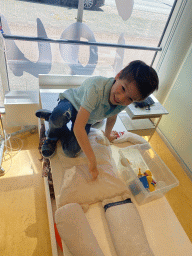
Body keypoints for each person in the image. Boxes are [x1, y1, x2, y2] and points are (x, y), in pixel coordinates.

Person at [36, 60, 159, 180]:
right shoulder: (96, 89)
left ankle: (53, 119)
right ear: (118, 75)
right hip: (73, 103)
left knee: (71, 151)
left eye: (130, 99)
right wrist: (92, 160)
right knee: (60, 116)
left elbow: (112, 115)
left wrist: (107, 135)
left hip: (88, 118)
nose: (121, 98)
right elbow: (78, 128)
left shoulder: (123, 101)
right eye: (123, 89)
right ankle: (52, 136)